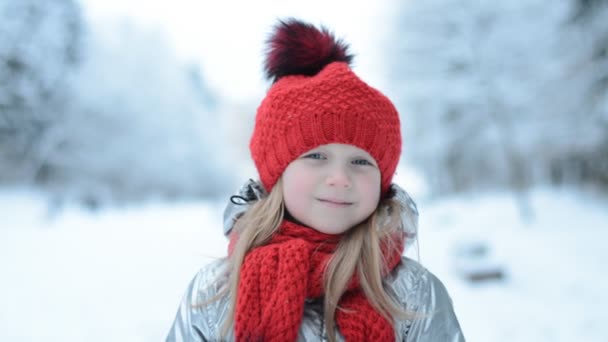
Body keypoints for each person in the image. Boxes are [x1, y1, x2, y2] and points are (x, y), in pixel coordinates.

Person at [166, 18, 465, 342]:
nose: (339, 178)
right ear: (277, 174)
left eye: (361, 161)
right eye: (316, 157)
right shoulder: (216, 293)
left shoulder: (414, 293)